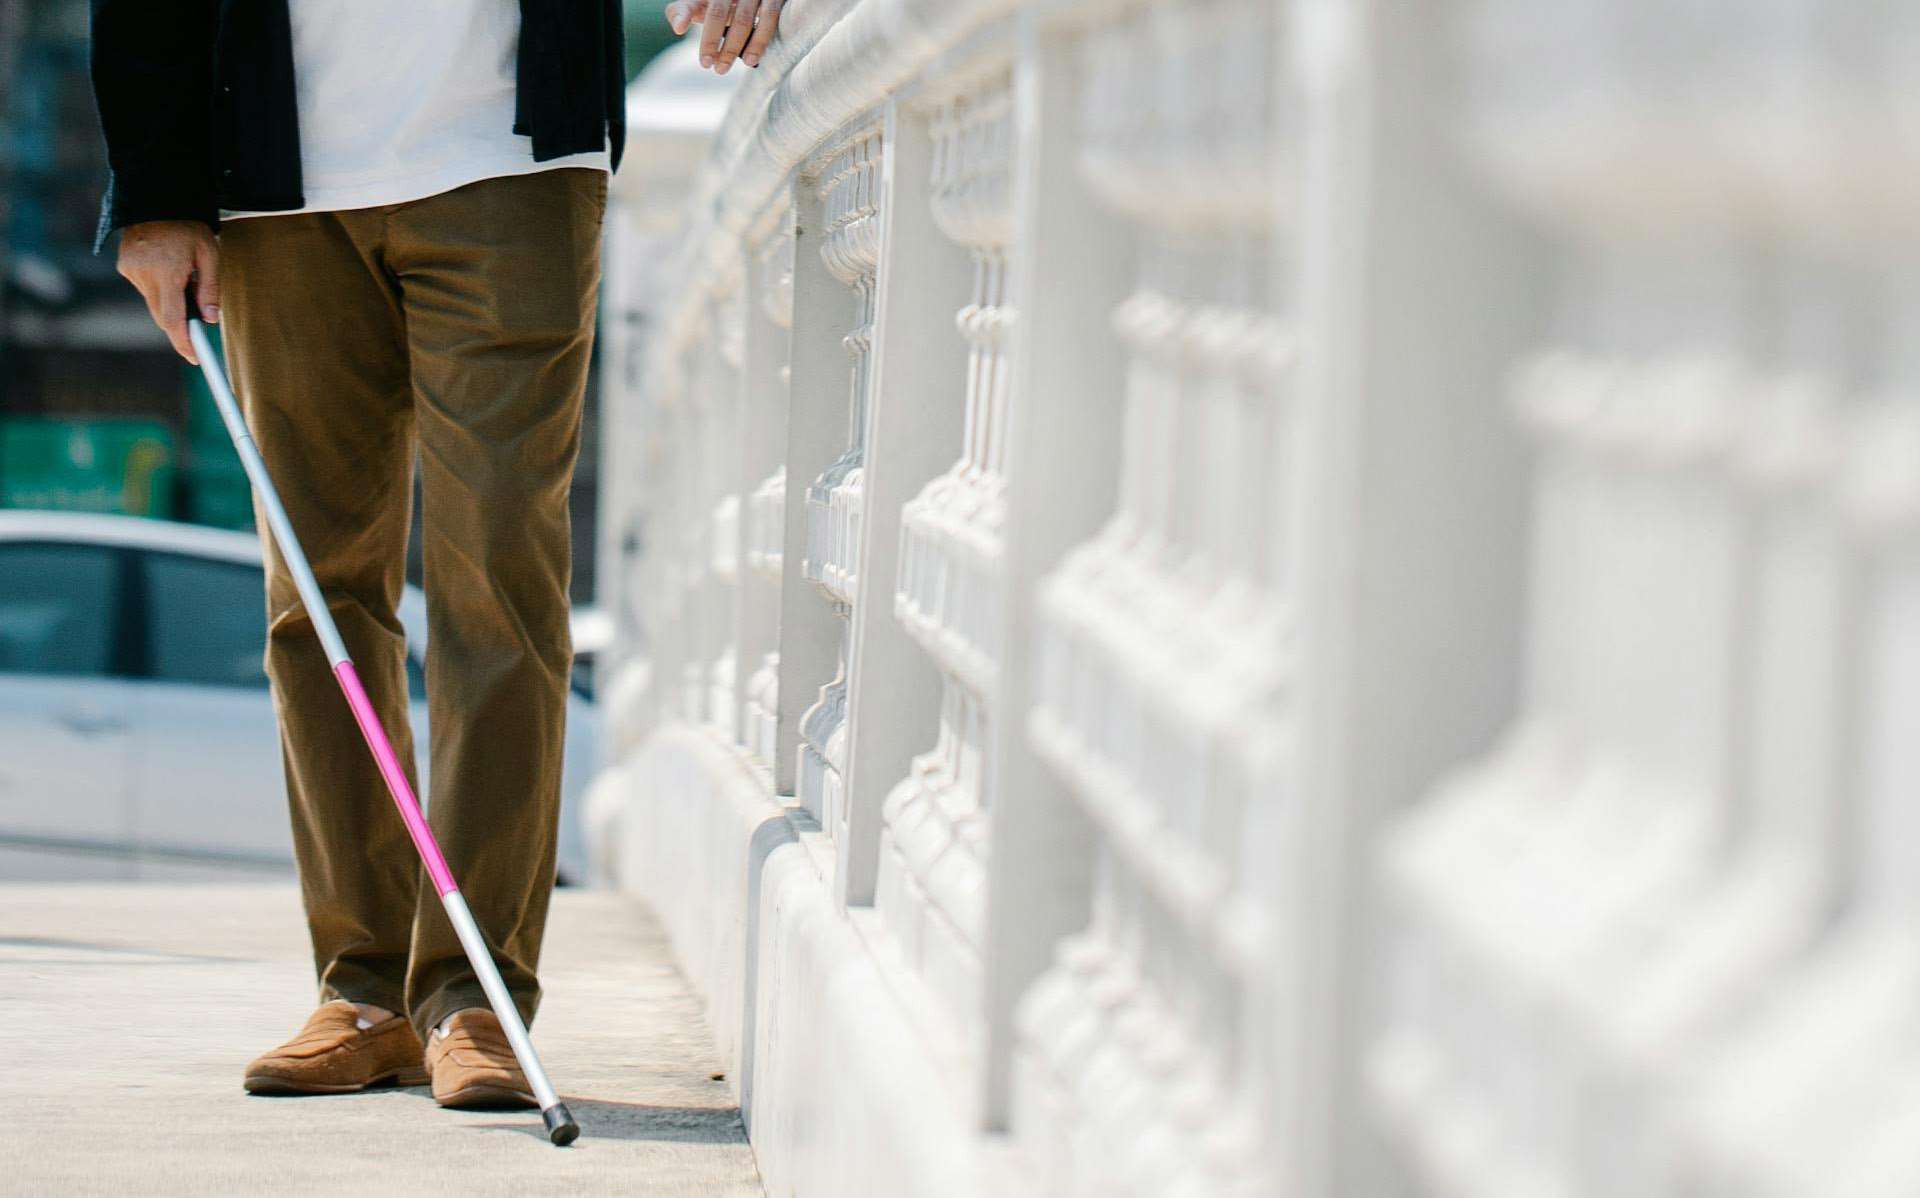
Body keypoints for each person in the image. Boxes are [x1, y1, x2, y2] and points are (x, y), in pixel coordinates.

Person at [89, 0, 780, 1110]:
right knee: (318, 598)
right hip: (278, 183)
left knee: (500, 579)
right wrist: (154, 199)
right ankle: (361, 991)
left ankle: (475, 997)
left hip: (510, 161)